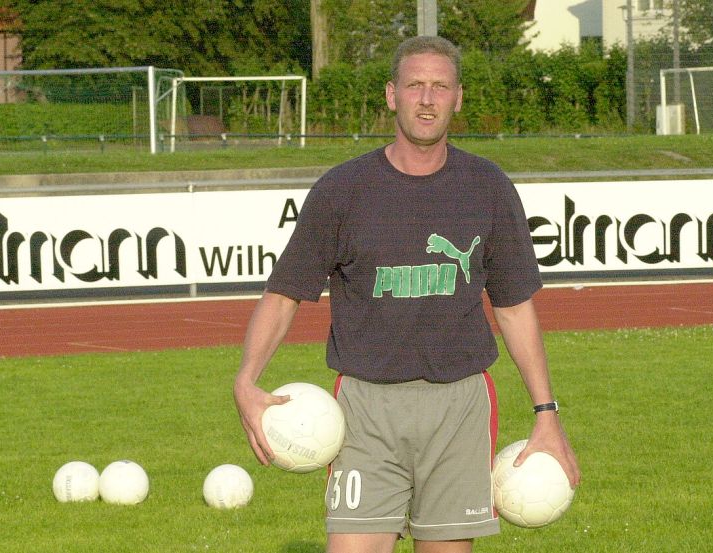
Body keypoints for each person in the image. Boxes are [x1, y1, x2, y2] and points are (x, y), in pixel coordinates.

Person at [233, 35, 580, 553]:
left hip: (459, 406)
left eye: (440, 87)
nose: (427, 99)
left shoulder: (487, 186)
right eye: (415, 85)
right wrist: (246, 380)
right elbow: (284, 293)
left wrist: (545, 413)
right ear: (391, 94)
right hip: (365, 410)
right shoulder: (342, 189)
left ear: (458, 98)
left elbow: (513, 308)